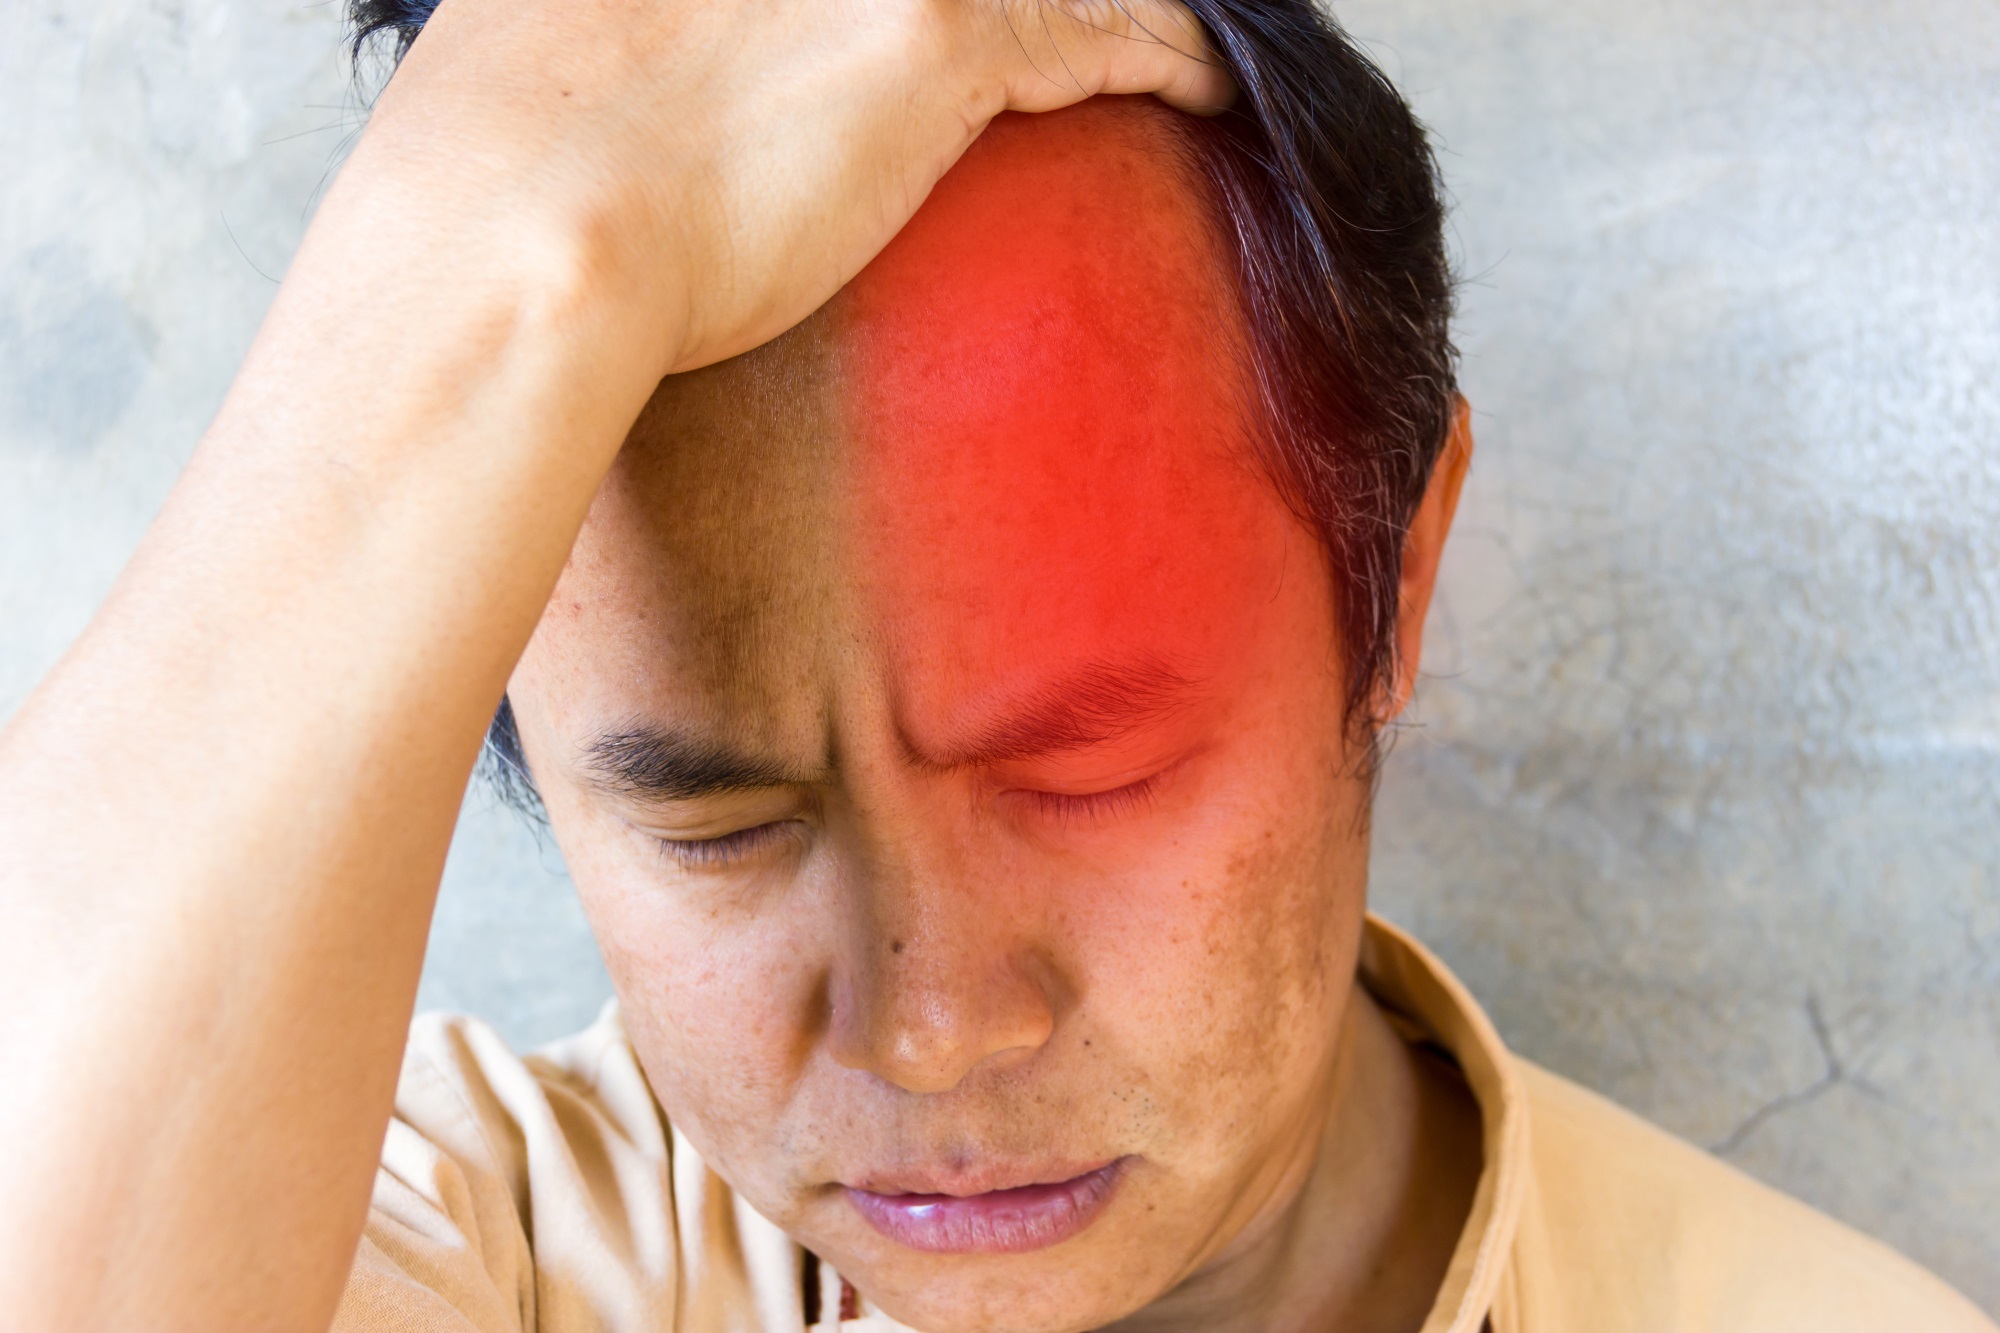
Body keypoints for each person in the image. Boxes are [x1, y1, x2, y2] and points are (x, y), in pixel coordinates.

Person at [0, 0, 1988, 1330]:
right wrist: (507, 247)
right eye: (721, 817)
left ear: (1392, 583)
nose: (933, 1026)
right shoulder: (417, 1243)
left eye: (1083, 774)